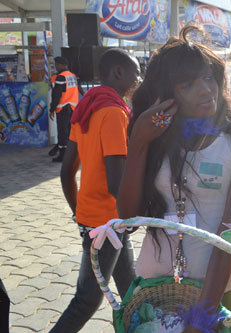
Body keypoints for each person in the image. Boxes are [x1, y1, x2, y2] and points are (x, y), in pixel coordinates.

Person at [117, 26, 231, 331]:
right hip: (153, 292)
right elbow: (128, 218)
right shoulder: (155, 138)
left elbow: (228, 236)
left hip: (217, 296)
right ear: (166, 94)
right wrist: (138, 142)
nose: (205, 90)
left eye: (209, 78)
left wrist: (202, 317)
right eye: (187, 83)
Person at [52, 49, 140, 332]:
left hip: (101, 219)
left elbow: (67, 171)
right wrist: (136, 211)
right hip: (107, 223)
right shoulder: (114, 113)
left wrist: (80, 212)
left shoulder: (87, 107)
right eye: (135, 72)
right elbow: (117, 183)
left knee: (130, 294)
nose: (139, 79)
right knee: (87, 300)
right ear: (118, 72)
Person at [48, 56, 79, 162]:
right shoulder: (72, 76)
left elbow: (56, 95)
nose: (56, 66)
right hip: (72, 108)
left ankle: (62, 156)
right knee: (70, 132)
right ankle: (71, 154)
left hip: (63, 109)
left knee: (62, 133)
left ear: (63, 65)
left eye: (57, 64)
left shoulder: (61, 77)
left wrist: (52, 109)